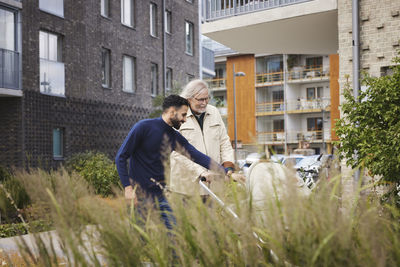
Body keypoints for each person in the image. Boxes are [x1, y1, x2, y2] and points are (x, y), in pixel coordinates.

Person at [115, 95, 225, 230]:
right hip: (139, 195)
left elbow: (197, 156)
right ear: (172, 111)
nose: (185, 120)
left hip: (162, 195)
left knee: (175, 236)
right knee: (139, 239)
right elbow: (120, 157)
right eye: (183, 115)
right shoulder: (143, 127)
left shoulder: (174, 137)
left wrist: (226, 172)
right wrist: (128, 188)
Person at [170, 79, 243, 199]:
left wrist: (228, 167)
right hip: (186, 189)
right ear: (189, 98)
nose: (204, 103)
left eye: (207, 98)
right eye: (200, 99)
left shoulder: (214, 112)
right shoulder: (178, 115)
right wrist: (201, 172)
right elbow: (176, 153)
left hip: (214, 188)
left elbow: (224, 142)